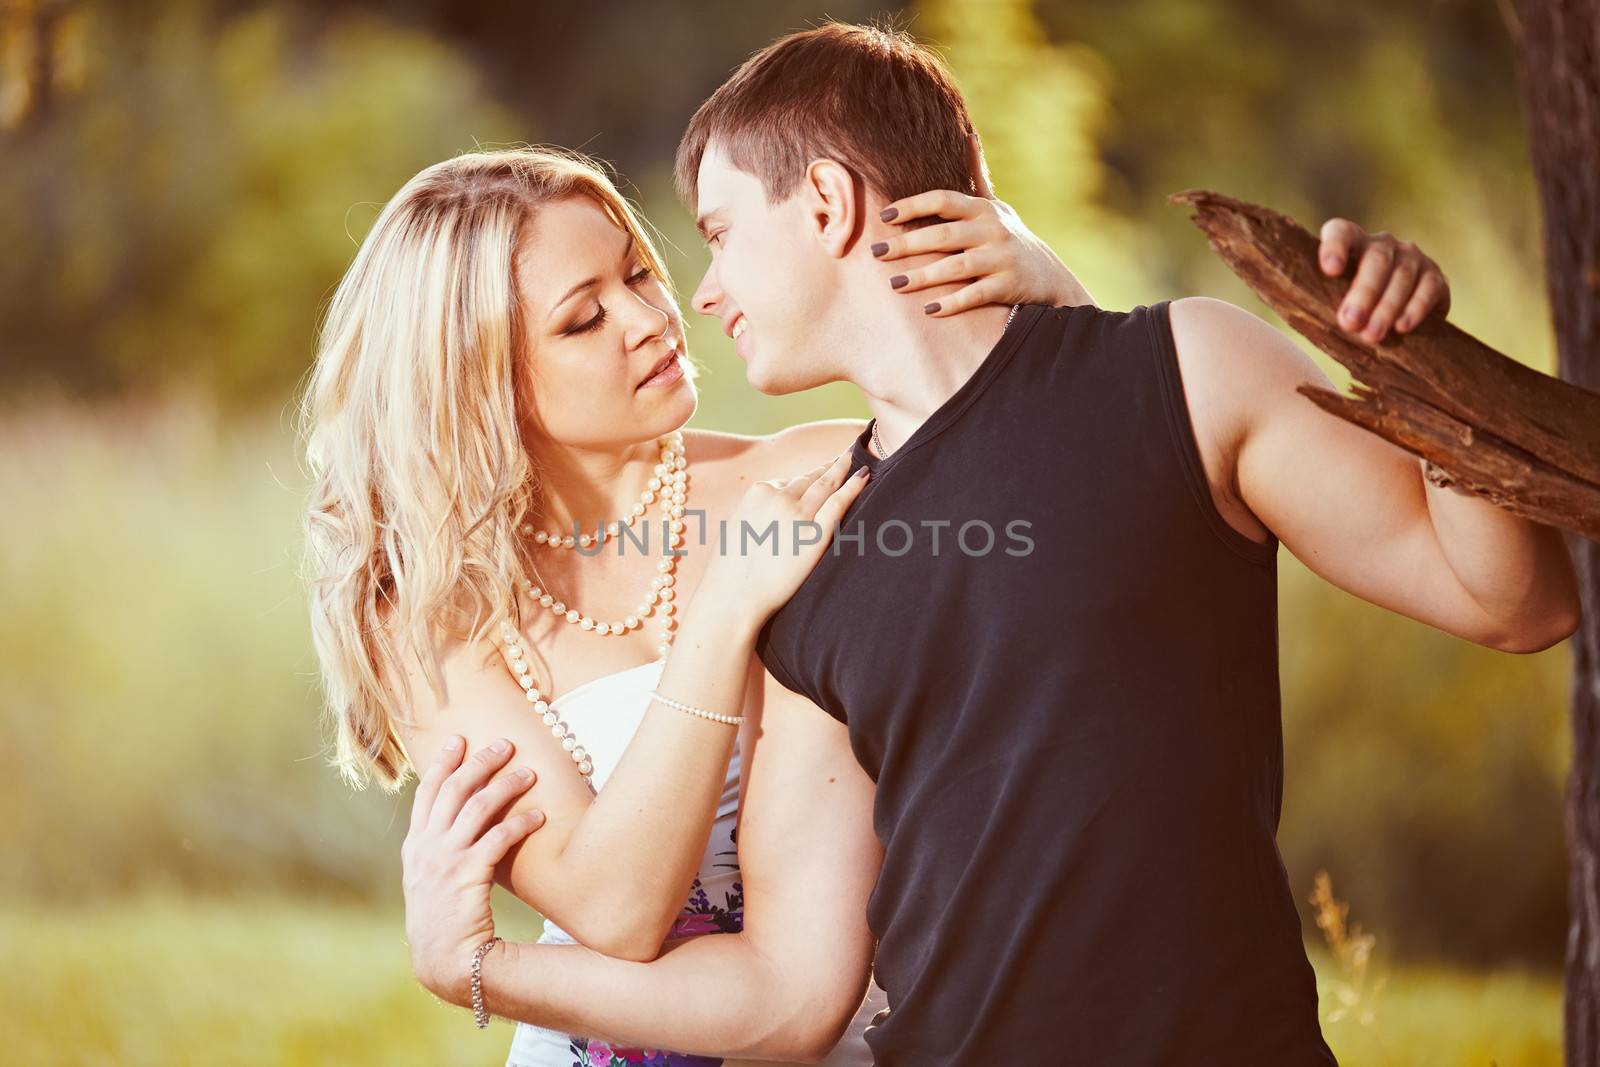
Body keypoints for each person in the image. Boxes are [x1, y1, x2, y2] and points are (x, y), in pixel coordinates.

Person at [397, 19, 1584, 1067]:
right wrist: (477, 969)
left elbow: (1516, 605)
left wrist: (1421, 365)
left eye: (710, 236)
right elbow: (790, 991)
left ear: (824, 205)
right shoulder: (810, 542)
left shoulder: (1184, 369)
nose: (693, 297)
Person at [301, 137, 1093, 1066]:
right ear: (481, 382)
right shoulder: (436, 609)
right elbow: (615, 909)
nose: (649, 319)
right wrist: (726, 615)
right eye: (583, 319)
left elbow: (1091, 500)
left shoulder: (806, 478)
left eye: (640, 273)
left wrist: (1056, 294)